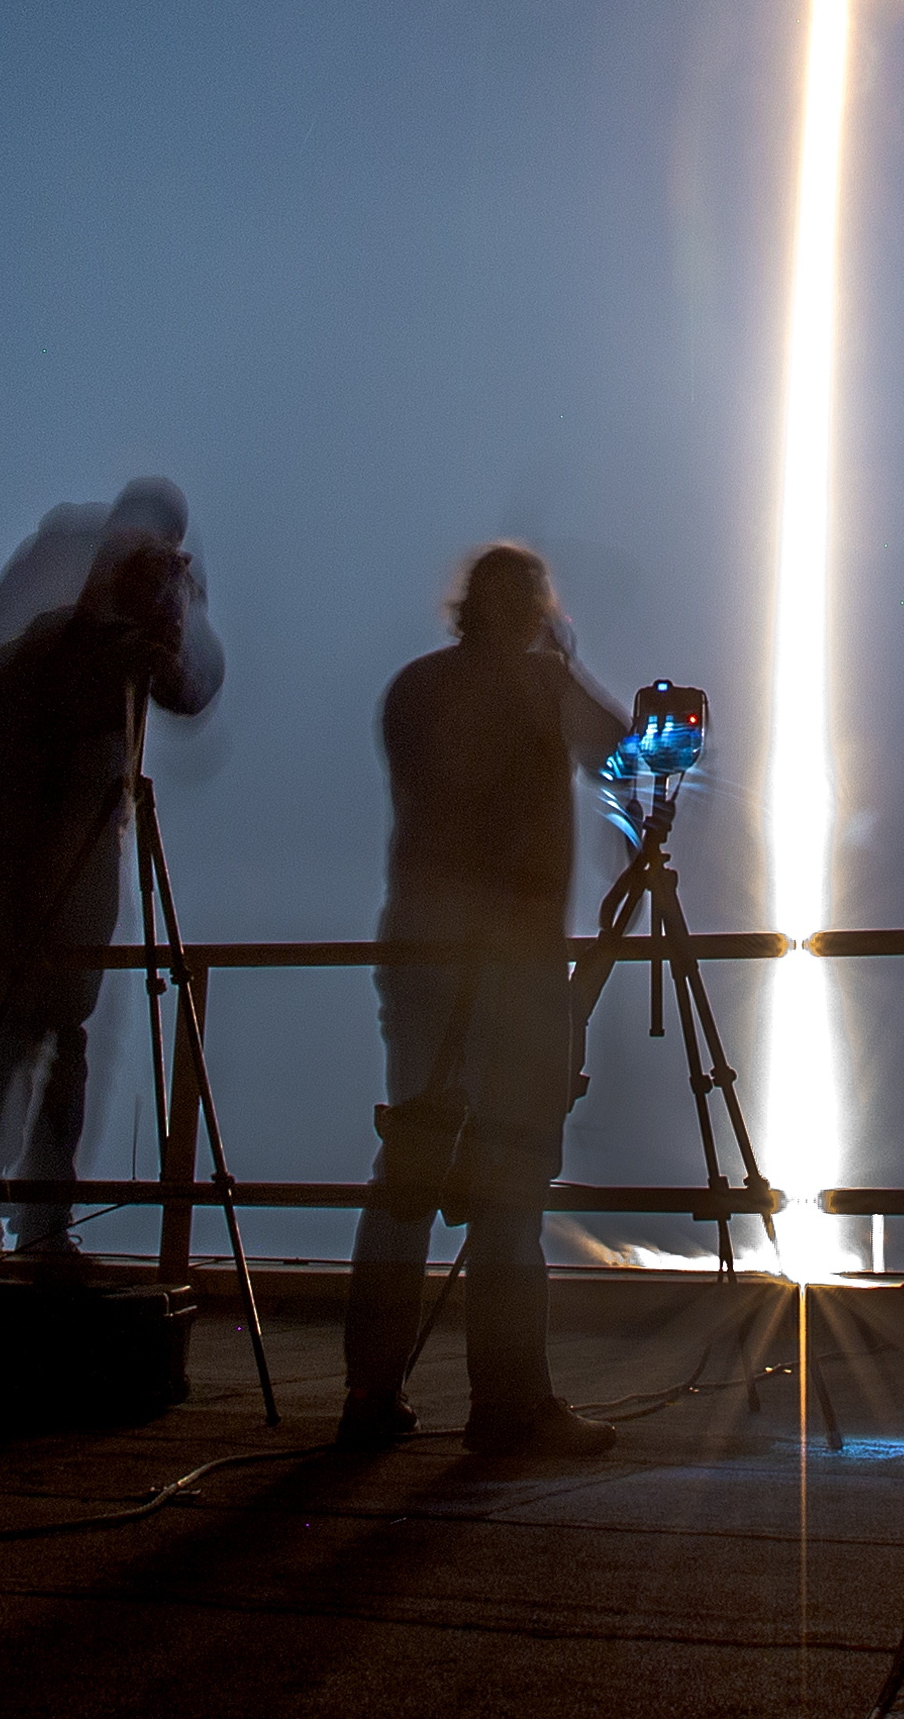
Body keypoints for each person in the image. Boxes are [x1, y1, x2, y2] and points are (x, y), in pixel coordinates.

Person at [335, 541, 622, 1461]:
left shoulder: (411, 687)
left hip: (417, 946)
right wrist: (568, 663)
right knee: (511, 1176)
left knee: (408, 1168)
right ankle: (510, 1399)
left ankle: (369, 1392)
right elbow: (619, 754)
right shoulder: (541, 686)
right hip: (512, 961)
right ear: (532, 607)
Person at [0, 479, 223, 1264]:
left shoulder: (69, 599)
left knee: (35, 1031)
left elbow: (185, 684)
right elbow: (182, 687)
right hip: (31, 829)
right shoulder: (57, 618)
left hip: (41, 826)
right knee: (21, 1031)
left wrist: (168, 616)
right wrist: (151, 617)